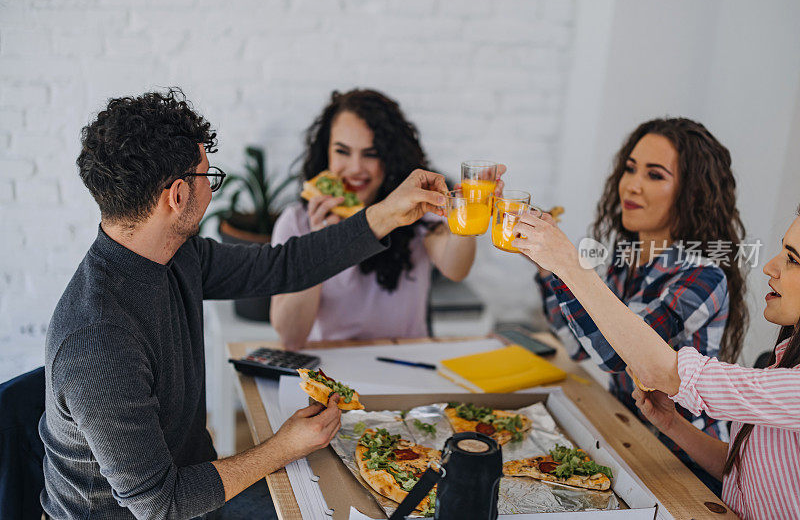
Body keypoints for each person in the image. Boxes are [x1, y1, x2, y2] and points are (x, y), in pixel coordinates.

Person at [39, 89, 448, 520]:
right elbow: (162, 505)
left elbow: (283, 265)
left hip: (196, 494)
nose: (211, 191)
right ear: (177, 195)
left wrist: (387, 212)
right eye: (206, 177)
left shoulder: (176, 255)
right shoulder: (98, 342)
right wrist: (284, 446)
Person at [516, 204, 800, 520]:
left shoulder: (702, 276)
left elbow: (653, 367)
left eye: (793, 260)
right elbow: (741, 474)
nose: (770, 267)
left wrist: (566, 263)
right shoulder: (785, 355)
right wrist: (670, 423)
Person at [534, 118, 747, 493]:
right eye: (630, 169)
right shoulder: (625, 258)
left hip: (684, 465)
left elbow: (618, 355)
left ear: (692, 193)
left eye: (655, 175)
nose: (632, 184)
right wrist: (547, 268)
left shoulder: (704, 276)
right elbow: (575, 344)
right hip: (629, 439)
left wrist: (565, 266)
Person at [271, 89, 503, 347]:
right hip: (330, 369)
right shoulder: (296, 222)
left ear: (390, 158)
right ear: (326, 152)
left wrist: (467, 215)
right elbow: (290, 336)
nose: (356, 167)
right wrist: (320, 244)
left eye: (371, 154)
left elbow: (456, 269)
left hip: (408, 362)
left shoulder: (414, 210)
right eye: (342, 151)